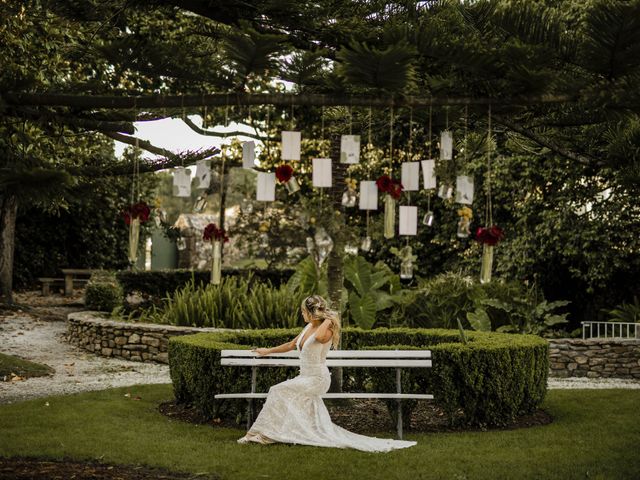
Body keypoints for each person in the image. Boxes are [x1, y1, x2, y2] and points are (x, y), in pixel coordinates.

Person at [237, 295, 417, 452]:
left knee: (278, 390)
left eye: (303, 311)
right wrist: (267, 351)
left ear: (311, 312)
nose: (301, 314)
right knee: (289, 396)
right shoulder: (307, 327)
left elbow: (319, 337)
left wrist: (329, 320)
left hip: (317, 379)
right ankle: (276, 433)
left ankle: (260, 435)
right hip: (305, 377)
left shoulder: (326, 330)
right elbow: (292, 345)